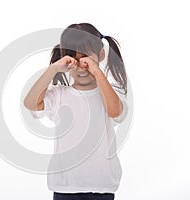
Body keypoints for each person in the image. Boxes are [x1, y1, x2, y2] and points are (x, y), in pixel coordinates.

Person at [24, 23, 128, 200]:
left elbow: (115, 112)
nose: (81, 65)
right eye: (73, 57)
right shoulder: (59, 95)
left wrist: (96, 70)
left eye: (86, 57)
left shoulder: (110, 93)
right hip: (66, 187)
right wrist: (53, 69)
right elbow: (31, 103)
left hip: (102, 186)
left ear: (100, 55)